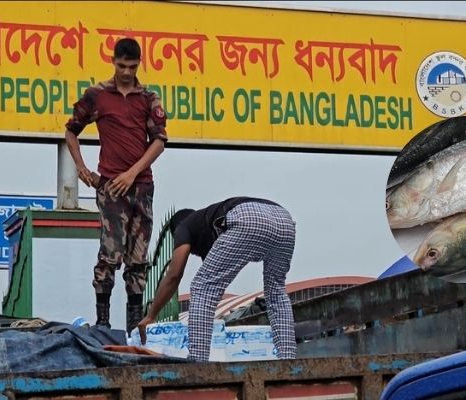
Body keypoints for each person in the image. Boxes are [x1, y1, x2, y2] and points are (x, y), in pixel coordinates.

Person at [64, 37, 168, 333]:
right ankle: (104, 323)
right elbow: (71, 131)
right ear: (113, 61)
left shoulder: (148, 98)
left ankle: (135, 327)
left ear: (139, 65)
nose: (126, 71)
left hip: (141, 186)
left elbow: (159, 141)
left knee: (138, 259)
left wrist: (132, 174)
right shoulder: (97, 95)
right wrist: (82, 168)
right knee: (110, 255)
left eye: (132, 66)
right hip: (110, 187)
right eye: (121, 65)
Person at [137, 197, 297, 361]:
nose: (191, 252)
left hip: (249, 218)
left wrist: (151, 315)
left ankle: (198, 362)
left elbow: (174, 274)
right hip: (284, 221)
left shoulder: (184, 226)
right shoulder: (208, 226)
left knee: (201, 288)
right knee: (276, 293)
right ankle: (288, 359)